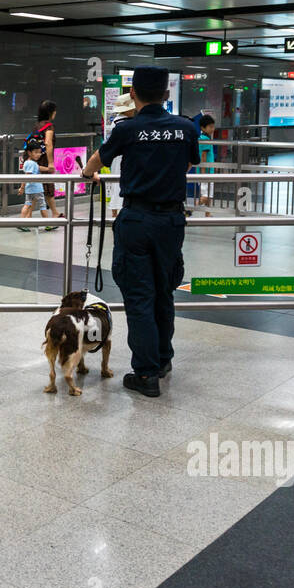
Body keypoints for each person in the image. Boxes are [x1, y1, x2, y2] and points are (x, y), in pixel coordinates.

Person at [80, 67, 199, 398]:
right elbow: (189, 164)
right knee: (164, 291)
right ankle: (162, 360)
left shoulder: (128, 129)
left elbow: (96, 162)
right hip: (172, 222)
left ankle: (146, 373)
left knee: (140, 297)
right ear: (166, 94)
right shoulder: (186, 128)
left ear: (133, 94)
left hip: (137, 220)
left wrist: (89, 173)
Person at [105, 91, 136, 219]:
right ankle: (117, 212)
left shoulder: (117, 122)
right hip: (123, 157)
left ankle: (115, 213)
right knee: (120, 182)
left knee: (116, 182)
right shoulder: (124, 123)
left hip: (117, 157)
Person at [31, 100, 64, 221]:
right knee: (46, 187)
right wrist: (51, 163)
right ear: (51, 112)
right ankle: (26, 218)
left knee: (37, 188)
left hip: (35, 159)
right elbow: (48, 143)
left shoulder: (37, 125)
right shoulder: (49, 126)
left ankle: (54, 213)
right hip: (44, 161)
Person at [16, 141, 54, 231]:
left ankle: (21, 222)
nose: (38, 154)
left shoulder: (28, 162)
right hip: (37, 189)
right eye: (36, 152)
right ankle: (47, 224)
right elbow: (27, 176)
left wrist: (48, 169)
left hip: (30, 189)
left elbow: (38, 167)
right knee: (43, 206)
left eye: (40, 152)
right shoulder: (31, 163)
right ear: (29, 152)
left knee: (27, 204)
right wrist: (22, 187)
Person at [197, 114, 216, 215]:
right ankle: (190, 208)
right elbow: (203, 156)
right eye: (210, 127)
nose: (213, 129)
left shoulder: (202, 137)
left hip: (208, 171)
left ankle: (208, 213)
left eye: (213, 126)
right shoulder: (205, 139)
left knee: (209, 194)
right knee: (205, 196)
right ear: (203, 128)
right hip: (206, 172)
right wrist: (203, 173)